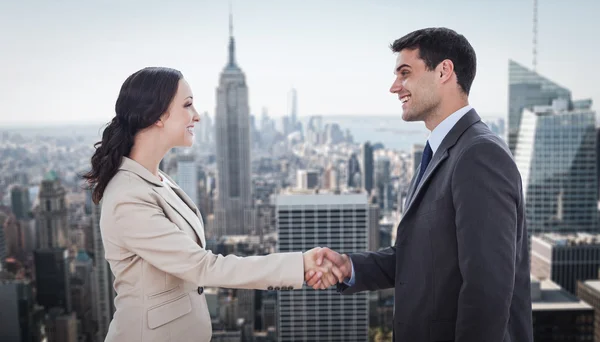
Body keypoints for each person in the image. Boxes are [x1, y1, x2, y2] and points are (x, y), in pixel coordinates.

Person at [82, 67, 342, 342]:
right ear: (157, 115)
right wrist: (299, 265)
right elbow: (204, 267)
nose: (198, 115)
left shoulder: (157, 180)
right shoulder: (128, 196)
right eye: (187, 104)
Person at [306, 28, 533, 342]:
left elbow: (487, 288)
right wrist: (350, 267)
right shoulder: (445, 151)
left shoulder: (479, 154)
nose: (394, 87)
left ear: (444, 71)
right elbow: (423, 258)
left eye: (405, 73)